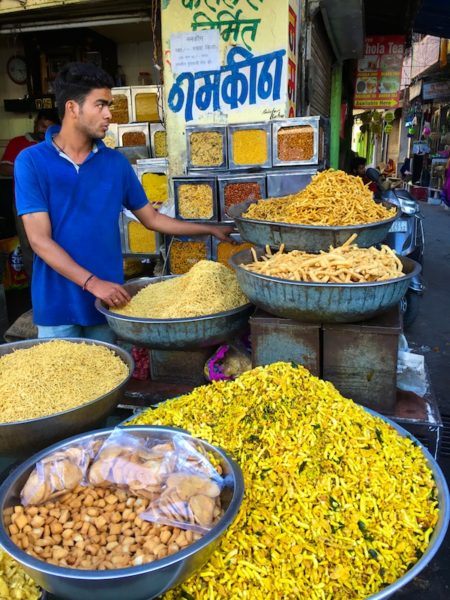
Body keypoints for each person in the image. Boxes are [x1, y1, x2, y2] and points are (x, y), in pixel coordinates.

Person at [14, 62, 233, 343]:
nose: (109, 114)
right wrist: (93, 284)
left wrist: (209, 229)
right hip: (57, 306)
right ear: (72, 108)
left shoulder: (116, 163)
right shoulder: (31, 162)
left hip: (108, 304)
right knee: (62, 383)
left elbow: (152, 220)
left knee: (110, 379)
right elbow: (39, 241)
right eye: (101, 105)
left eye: (110, 105)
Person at [1, 109, 60, 277]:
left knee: (56, 242)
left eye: (49, 127)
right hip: (25, 203)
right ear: (35, 124)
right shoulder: (18, 143)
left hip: (54, 201)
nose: (43, 130)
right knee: (30, 244)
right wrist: (29, 170)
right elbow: (4, 168)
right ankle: (36, 284)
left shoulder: (57, 143)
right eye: (42, 126)